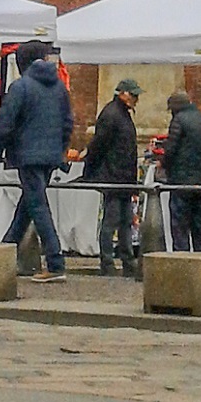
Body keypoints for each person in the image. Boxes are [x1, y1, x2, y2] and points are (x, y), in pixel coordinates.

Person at [0, 41, 73, 279]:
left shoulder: (20, 87)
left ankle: (55, 263)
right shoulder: (59, 88)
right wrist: (60, 150)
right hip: (50, 156)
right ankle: (6, 250)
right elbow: (67, 124)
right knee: (28, 204)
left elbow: (5, 124)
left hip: (27, 155)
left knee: (38, 206)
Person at [82, 78, 143, 277]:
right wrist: (91, 170)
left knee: (125, 221)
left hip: (123, 177)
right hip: (114, 175)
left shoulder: (120, 113)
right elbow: (99, 145)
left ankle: (126, 260)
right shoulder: (112, 114)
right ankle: (107, 262)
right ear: (122, 93)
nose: (136, 99)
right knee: (111, 221)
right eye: (133, 95)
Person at [161, 88, 201, 253]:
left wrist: (163, 165)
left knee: (180, 227)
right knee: (200, 226)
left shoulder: (179, 120)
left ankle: (182, 263)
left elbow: (171, 150)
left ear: (176, 107)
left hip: (181, 182)